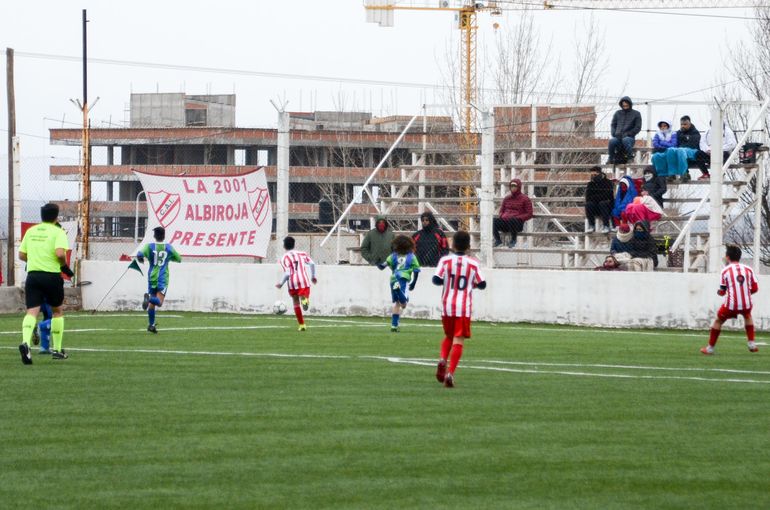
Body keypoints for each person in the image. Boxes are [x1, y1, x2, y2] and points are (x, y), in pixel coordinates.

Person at [18, 203, 73, 364]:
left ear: (41, 216)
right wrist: (63, 265)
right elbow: (60, 253)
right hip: (51, 276)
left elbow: (21, 255)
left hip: (33, 276)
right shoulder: (58, 232)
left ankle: (26, 344)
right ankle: (57, 350)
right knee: (57, 311)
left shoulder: (31, 231)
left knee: (31, 312)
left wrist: (35, 259)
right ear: (56, 217)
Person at [432, 231, 486, 388]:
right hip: (463, 307)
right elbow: (482, 284)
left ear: (452, 245)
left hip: (447, 305)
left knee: (448, 335)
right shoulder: (473, 263)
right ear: (469, 246)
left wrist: (448, 281)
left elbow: (436, 279)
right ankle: (450, 373)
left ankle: (442, 358)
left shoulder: (445, 260)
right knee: (458, 339)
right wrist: (472, 284)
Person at [701, 244, 759, 355]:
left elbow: (722, 292)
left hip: (731, 304)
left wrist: (720, 292)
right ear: (739, 257)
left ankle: (710, 348)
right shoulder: (748, 269)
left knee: (718, 321)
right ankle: (751, 343)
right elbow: (755, 288)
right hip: (747, 303)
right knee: (747, 316)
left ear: (727, 257)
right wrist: (746, 294)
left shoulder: (725, 271)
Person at [137, 226, 182, 333]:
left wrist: (141, 259)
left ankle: (151, 325)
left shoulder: (149, 247)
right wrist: (169, 259)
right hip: (162, 278)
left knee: (152, 305)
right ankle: (148, 299)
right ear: (164, 236)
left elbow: (139, 254)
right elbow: (179, 259)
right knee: (159, 302)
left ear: (154, 236)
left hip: (151, 277)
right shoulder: (169, 248)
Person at [377, 235, 421, 332]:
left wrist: (377, 262)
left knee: (397, 303)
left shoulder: (393, 256)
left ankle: (394, 326)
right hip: (403, 279)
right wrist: (414, 282)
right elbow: (416, 270)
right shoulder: (411, 256)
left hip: (393, 279)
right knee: (404, 304)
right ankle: (399, 291)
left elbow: (381, 266)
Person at [276, 236, 317, 332]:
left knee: (295, 302)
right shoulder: (302, 254)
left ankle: (302, 325)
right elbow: (312, 264)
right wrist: (313, 276)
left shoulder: (284, 258)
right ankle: (305, 299)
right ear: (294, 245)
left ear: (284, 246)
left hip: (292, 282)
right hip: (303, 280)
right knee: (304, 296)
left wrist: (281, 283)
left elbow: (287, 272)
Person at [653, 116, 702, 180]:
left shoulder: (695, 133)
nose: (683, 126)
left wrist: (680, 146)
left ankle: (684, 173)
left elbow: (692, 145)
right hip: (680, 151)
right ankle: (671, 174)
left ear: (689, 124)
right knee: (667, 152)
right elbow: (674, 144)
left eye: (685, 124)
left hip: (693, 152)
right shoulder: (678, 132)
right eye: (681, 124)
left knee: (680, 150)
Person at [493, 178, 533, 248]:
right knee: (493, 221)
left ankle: (513, 240)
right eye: (511, 186)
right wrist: (502, 216)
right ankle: (498, 240)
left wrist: (519, 218)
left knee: (512, 220)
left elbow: (529, 213)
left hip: (517, 224)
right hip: (505, 223)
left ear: (519, 187)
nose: (513, 188)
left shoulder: (525, 199)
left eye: (515, 186)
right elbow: (501, 210)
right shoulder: (507, 198)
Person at [608, 96, 642, 164]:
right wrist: (614, 133)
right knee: (612, 141)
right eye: (623, 104)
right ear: (621, 104)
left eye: (626, 104)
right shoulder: (617, 113)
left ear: (630, 104)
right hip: (618, 137)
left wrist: (628, 134)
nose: (625, 106)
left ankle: (630, 158)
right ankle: (611, 158)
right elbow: (613, 125)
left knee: (626, 140)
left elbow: (638, 127)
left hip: (629, 138)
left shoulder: (636, 114)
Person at [584, 166, 614, 233]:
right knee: (588, 204)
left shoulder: (608, 183)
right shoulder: (590, 184)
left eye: (595, 175)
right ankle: (591, 225)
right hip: (595, 207)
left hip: (606, 207)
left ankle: (606, 226)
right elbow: (588, 197)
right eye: (592, 175)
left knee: (603, 203)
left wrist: (595, 197)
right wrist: (599, 198)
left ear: (600, 173)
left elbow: (608, 196)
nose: (593, 176)